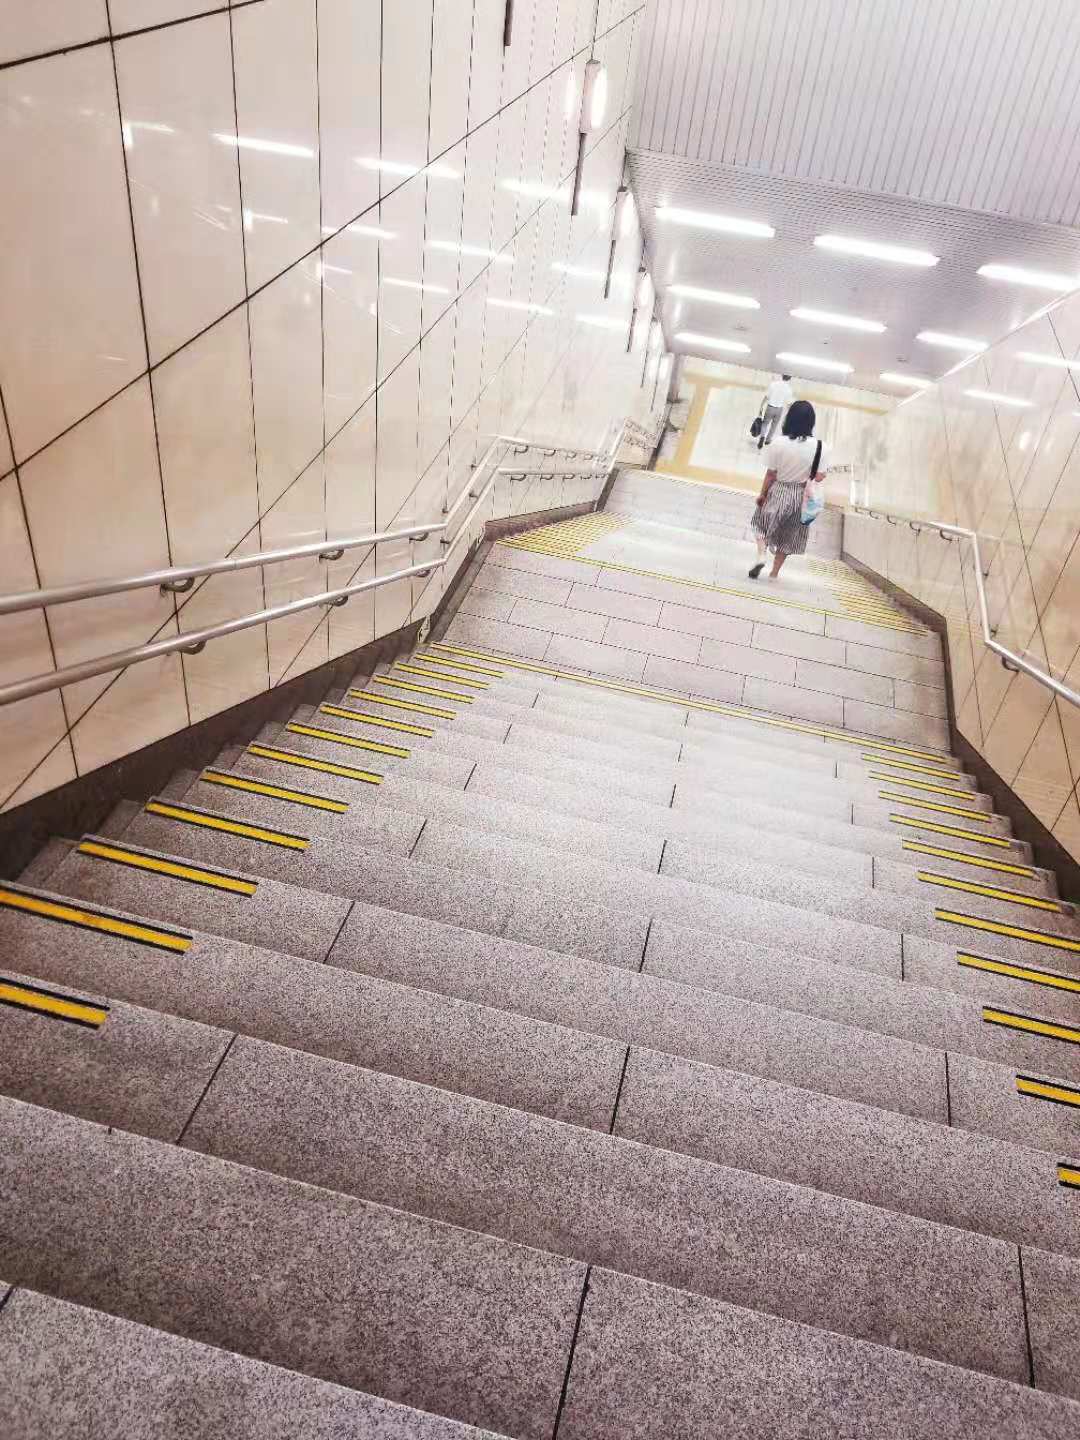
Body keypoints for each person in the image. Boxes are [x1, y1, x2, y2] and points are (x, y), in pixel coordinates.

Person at [749, 399, 825, 580]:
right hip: (800, 497)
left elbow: (771, 474)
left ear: (789, 419)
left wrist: (762, 494)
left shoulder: (778, 443)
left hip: (779, 490)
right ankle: (774, 573)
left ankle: (761, 554)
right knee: (788, 535)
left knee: (760, 524)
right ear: (811, 422)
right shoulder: (820, 446)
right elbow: (820, 476)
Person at [757, 373, 794, 449]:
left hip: (770, 407)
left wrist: (761, 406)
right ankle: (768, 440)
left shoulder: (773, 384)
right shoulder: (789, 389)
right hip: (779, 409)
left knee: (765, 423)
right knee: (774, 426)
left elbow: (766, 396)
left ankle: (762, 437)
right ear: (790, 378)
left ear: (782, 376)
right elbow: (789, 403)